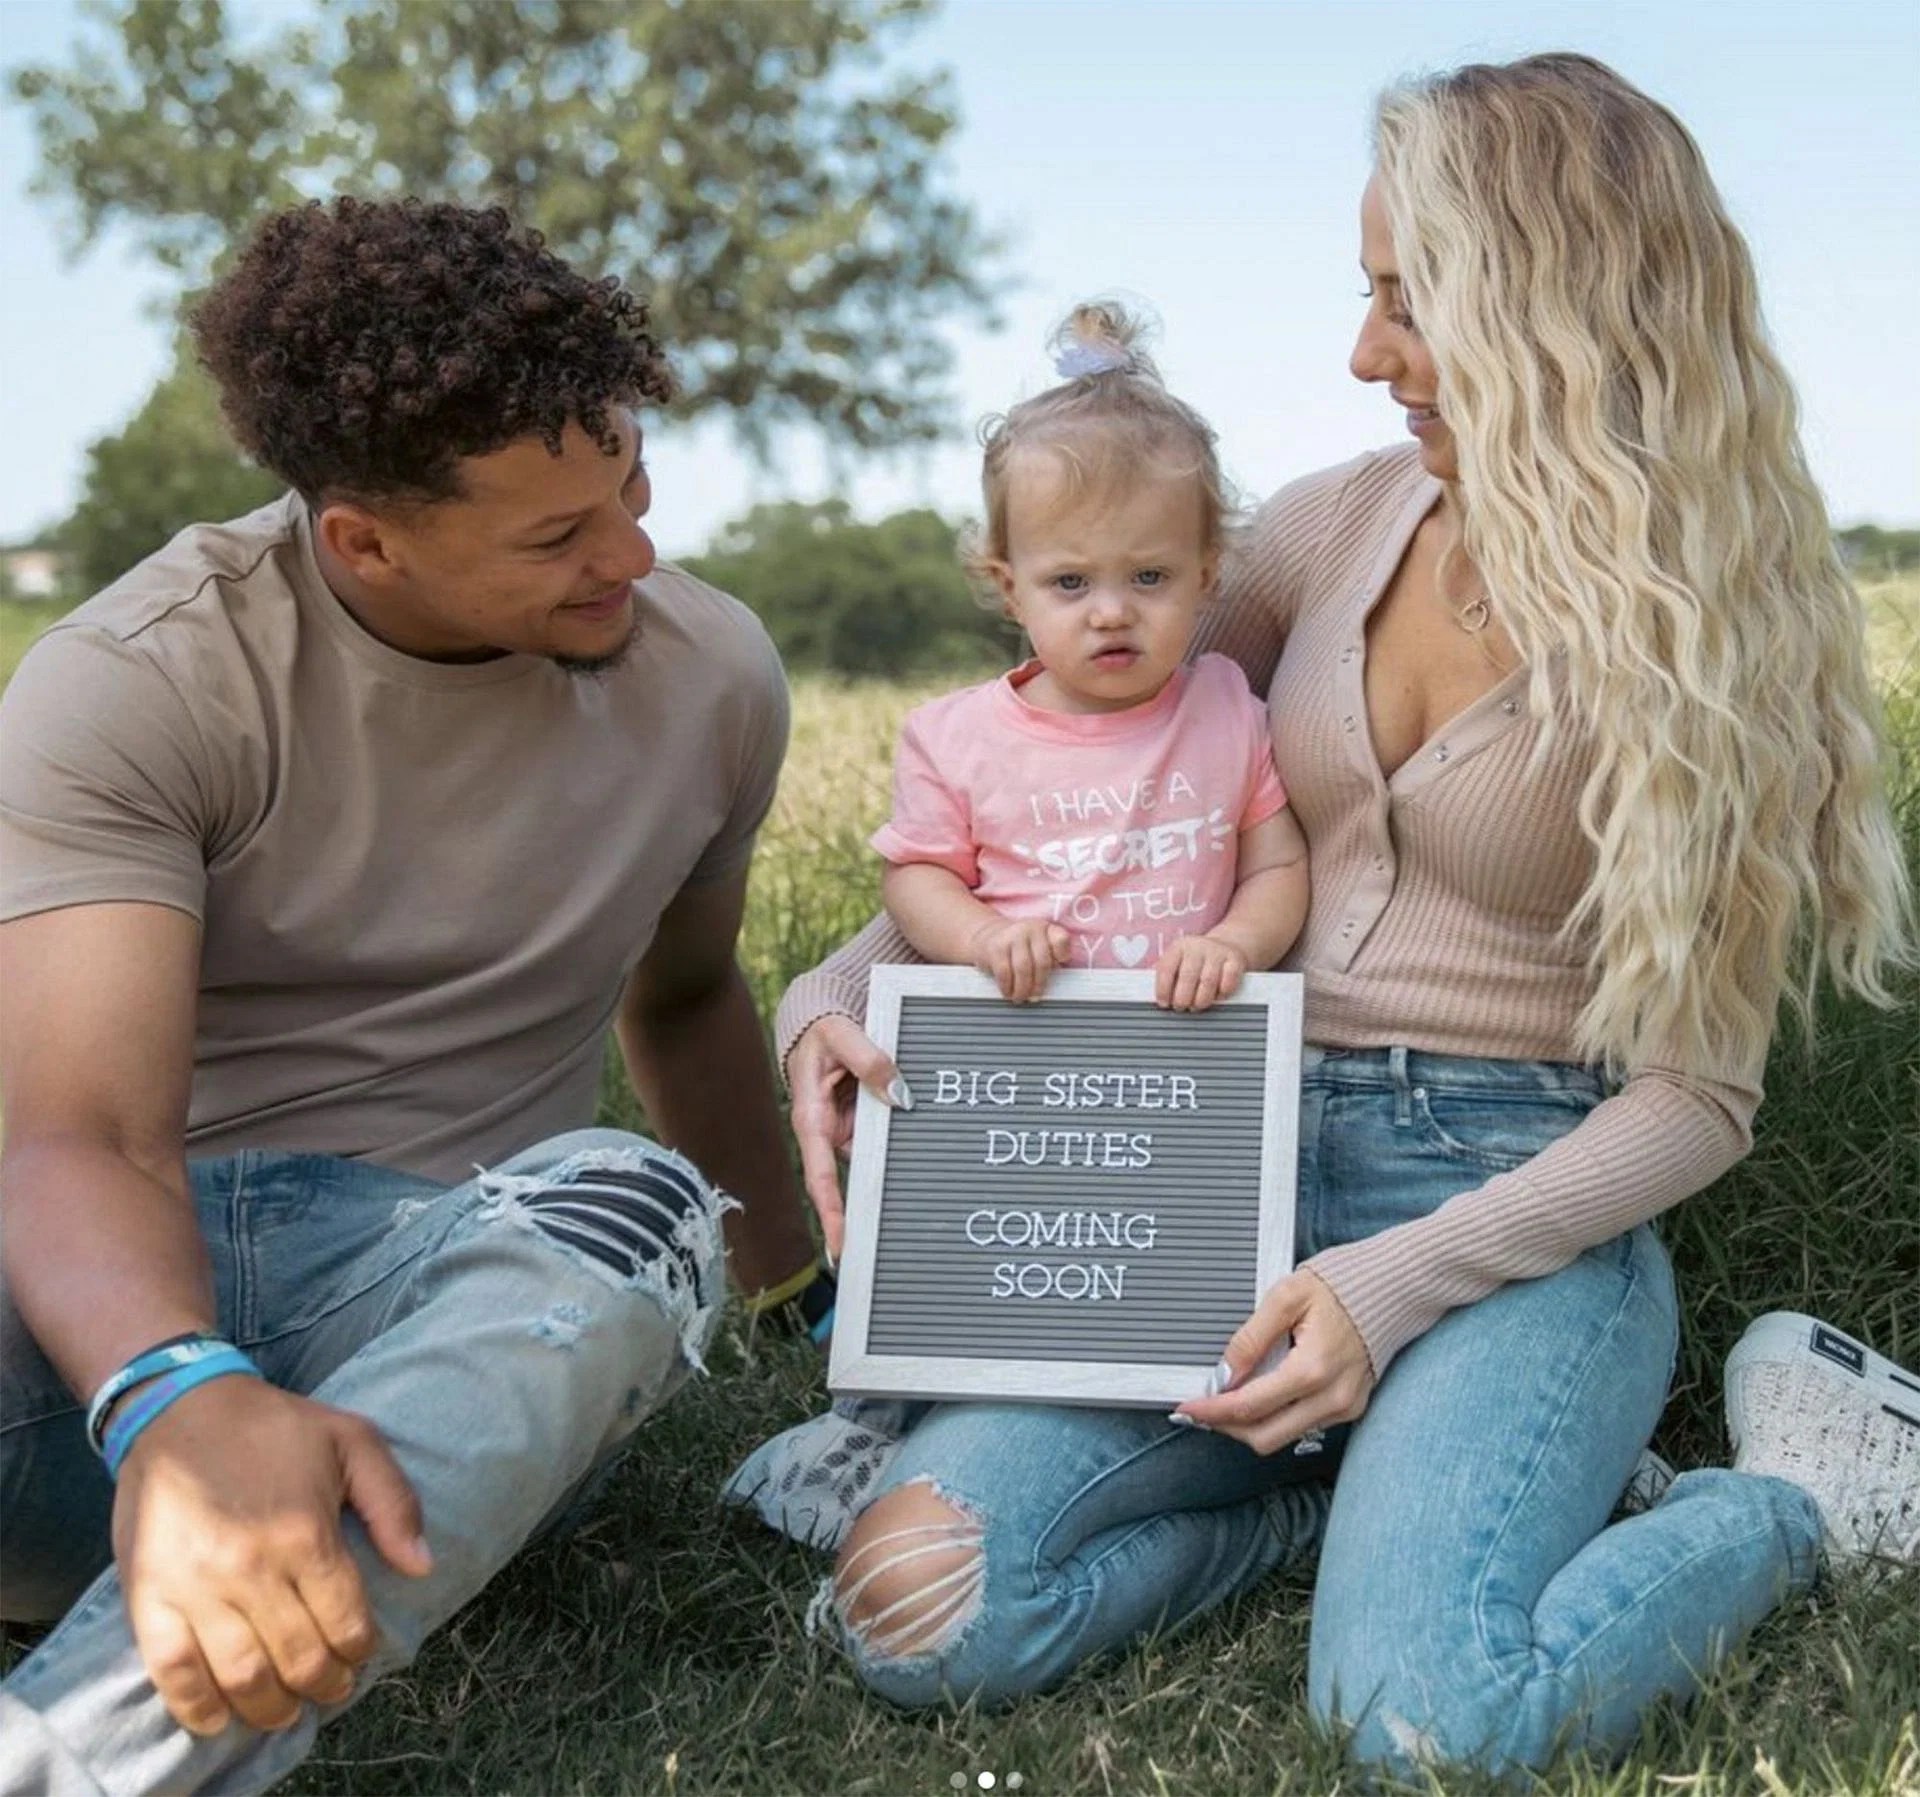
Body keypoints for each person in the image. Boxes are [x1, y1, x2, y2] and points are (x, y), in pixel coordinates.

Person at [743, 53, 1918, 1778]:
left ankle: (1800, 1491)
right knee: (917, 1604)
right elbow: (1059, 799)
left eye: (1404, 301)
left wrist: (1388, 1286)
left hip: (1507, 1207)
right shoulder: (1325, 528)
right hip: (1210, 1171)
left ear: (1548, 306)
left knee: (1426, 1720)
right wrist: (829, 997)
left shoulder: (1709, 633)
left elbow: (1698, 1099)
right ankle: (1331, 1507)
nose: (1364, 355)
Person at [0, 198, 824, 1795]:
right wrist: (178, 1395)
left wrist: (804, 1299)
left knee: (640, 1206)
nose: (631, 556)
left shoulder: (712, 679)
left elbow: (692, 992)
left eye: (631, 489)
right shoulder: (146, 679)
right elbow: (83, 1134)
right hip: (97, 1340)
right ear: (362, 537)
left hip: (460, 1348)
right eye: (556, 538)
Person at [874, 300, 1308, 1017]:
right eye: (1070, 582)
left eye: (1149, 577)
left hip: (1189, 1046)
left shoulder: (1226, 710)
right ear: (1010, 588)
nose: (1111, 612)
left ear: (1205, 575)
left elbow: (1280, 865)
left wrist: (1235, 943)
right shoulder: (954, 738)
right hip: (1025, 1041)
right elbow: (915, 878)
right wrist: (984, 935)